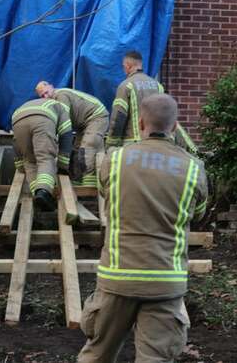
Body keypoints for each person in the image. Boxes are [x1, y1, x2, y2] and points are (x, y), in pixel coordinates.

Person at [78, 94, 207, 363]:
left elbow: (107, 192)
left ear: (139, 123)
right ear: (174, 127)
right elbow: (197, 213)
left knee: (97, 355)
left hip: (117, 276)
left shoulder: (113, 160)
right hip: (165, 282)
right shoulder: (194, 169)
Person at [35, 81, 108, 187]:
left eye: (46, 92)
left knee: (87, 147)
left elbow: (64, 122)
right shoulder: (54, 101)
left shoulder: (60, 95)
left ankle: (88, 185)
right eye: (43, 96)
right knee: (77, 149)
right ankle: (77, 181)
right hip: (83, 124)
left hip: (96, 116)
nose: (46, 96)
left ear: (51, 86)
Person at [11, 97, 73, 211]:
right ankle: (43, 192)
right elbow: (66, 136)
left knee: (29, 161)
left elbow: (15, 142)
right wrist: (63, 165)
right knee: (45, 158)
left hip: (17, 120)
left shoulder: (27, 104)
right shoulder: (62, 108)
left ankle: (38, 196)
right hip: (42, 119)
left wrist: (19, 165)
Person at [105, 51, 164, 148]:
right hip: (155, 144)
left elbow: (118, 117)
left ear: (128, 66)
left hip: (133, 144)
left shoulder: (126, 86)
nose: (124, 69)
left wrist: (111, 144)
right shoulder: (158, 86)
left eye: (123, 66)